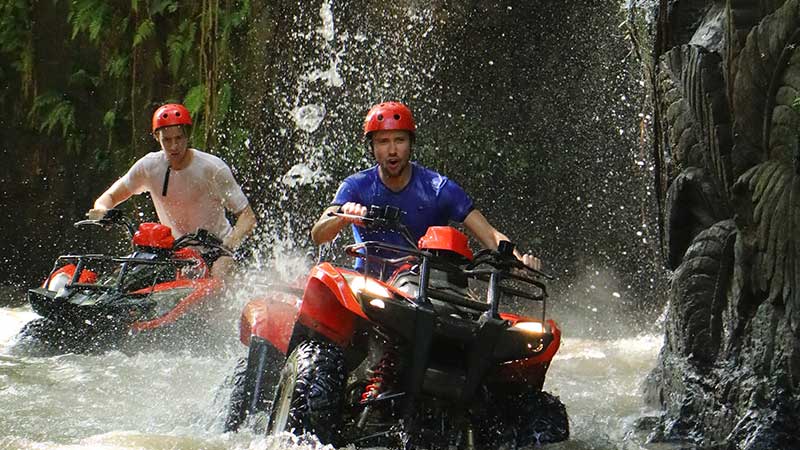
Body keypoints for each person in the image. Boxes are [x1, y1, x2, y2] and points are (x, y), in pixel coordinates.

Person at [311, 101, 541, 271]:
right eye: (383, 142)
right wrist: (342, 217)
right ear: (372, 148)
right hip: (368, 286)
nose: (392, 150)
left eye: (399, 140)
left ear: (411, 144)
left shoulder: (438, 188)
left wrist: (521, 262)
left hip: (423, 288)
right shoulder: (356, 186)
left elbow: (490, 235)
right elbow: (319, 234)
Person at [88, 103, 257, 278]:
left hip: (217, 249)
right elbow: (108, 197)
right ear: (156, 137)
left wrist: (229, 246)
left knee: (220, 273)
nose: (174, 146)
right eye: (167, 140)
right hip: (175, 255)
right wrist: (100, 212)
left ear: (187, 136)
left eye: (179, 138)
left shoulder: (212, 168)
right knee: (128, 277)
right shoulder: (149, 167)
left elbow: (248, 216)